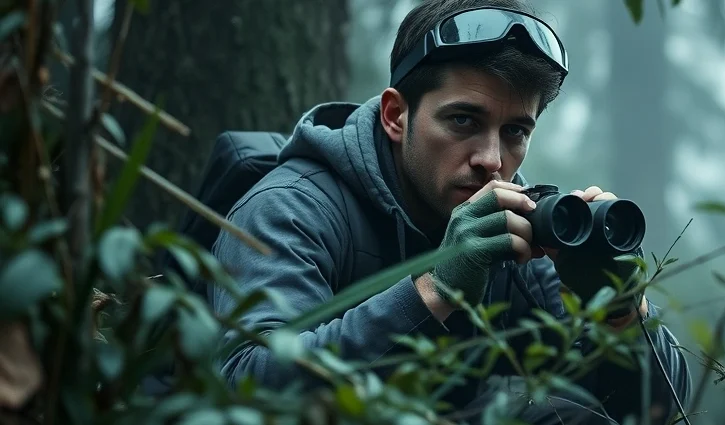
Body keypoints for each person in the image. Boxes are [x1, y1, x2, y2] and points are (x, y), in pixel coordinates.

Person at [208, 0, 692, 423]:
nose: (492, 160)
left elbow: (652, 413)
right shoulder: (291, 208)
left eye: (515, 132)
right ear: (397, 116)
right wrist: (434, 290)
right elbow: (248, 390)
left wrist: (621, 313)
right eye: (464, 120)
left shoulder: (521, 227)